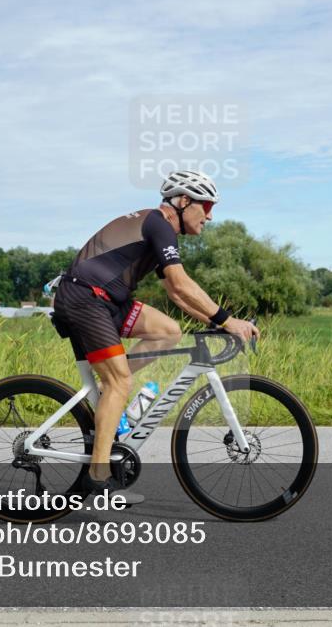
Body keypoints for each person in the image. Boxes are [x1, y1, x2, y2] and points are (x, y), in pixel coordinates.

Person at [50, 171, 260, 504]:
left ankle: (110, 395)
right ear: (184, 201)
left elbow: (178, 295)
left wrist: (219, 323)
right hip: (87, 299)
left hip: (107, 300)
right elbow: (180, 285)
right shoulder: (159, 223)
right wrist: (227, 320)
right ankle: (98, 476)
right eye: (206, 206)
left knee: (168, 332)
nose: (210, 216)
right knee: (120, 384)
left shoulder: (158, 226)